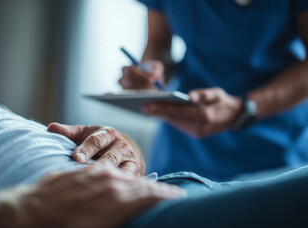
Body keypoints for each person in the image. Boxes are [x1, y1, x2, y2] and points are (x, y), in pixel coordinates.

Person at [0, 76, 308, 228]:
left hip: (160, 189)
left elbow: (5, 139)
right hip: (94, 226)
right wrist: (9, 213)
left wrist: (114, 148)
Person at [119, 0, 308, 180]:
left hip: (274, 139)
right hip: (184, 143)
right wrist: (149, 73)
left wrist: (243, 109)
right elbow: (158, 42)